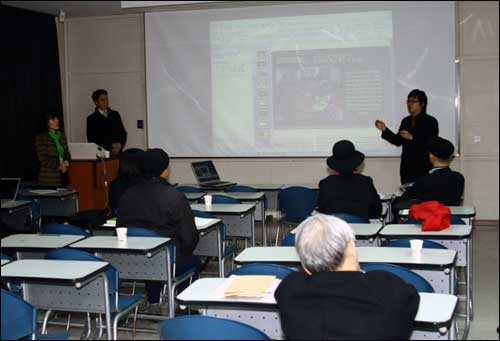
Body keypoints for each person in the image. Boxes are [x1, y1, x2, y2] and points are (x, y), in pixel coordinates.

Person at [275, 214, 420, 340]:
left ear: (305, 265)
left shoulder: (290, 289)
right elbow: (410, 304)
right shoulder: (387, 288)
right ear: (351, 247)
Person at [117, 148, 201, 309]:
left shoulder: (127, 195)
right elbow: (189, 237)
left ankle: (154, 300)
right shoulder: (174, 197)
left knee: (152, 253)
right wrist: (183, 252)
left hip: (132, 262)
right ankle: (183, 305)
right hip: (167, 261)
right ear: (164, 171)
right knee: (193, 261)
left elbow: (120, 229)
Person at [375, 89, 439, 185]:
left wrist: (412, 138)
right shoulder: (406, 121)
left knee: (423, 196)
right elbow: (397, 141)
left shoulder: (430, 121)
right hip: (407, 167)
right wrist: (384, 129)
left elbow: (431, 142)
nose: (410, 104)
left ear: (422, 104)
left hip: (423, 166)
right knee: (407, 196)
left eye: (413, 101)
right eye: (408, 101)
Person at [392, 136, 464, 212]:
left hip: (427, 222)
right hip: (450, 221)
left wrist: (395, 199)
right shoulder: (459, 178)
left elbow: (399, 204)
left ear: (431, 156)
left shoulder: (424, 181)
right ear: (450, 157)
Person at [318, 140, 382, 221]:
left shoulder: (325, 183)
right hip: (361, 230)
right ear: (356, 162)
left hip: (333, 230)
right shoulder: (365, 182)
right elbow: (377, 210)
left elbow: (322, 209)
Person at [86, 89, 127, 156]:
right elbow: (92, 140)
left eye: (107, 99)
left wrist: (120, 146)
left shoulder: (115, 114)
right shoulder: (91, 119)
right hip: (102, 155)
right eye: (102, 100)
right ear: (96, 102)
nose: (106, 102)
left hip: (118, 154)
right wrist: (111, 146)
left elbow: (123, 133)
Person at [35, 114, 71, 187]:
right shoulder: (41, 138)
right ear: (46, 122)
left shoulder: (62, 136)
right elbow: (44, 159)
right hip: (48, 179)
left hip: (63, 177)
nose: (57, 121)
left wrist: (66, 163)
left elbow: (67, 153)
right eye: (53, 119)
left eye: (57, 119)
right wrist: (60, 166)